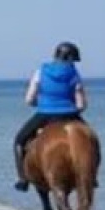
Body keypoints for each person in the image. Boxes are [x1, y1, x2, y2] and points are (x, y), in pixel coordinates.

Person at [13, 41, 88, 192]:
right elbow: (81, 104)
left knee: (19, 141)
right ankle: (91, 176)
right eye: (73, 60)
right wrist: (76, 106)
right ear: (68, 58)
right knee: (90, 141)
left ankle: (22, 178)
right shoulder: (73, 72)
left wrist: (40, 103)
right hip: (70, 115)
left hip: (44, 115)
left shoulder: (41, 71)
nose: (73, 63)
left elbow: (29, 99)